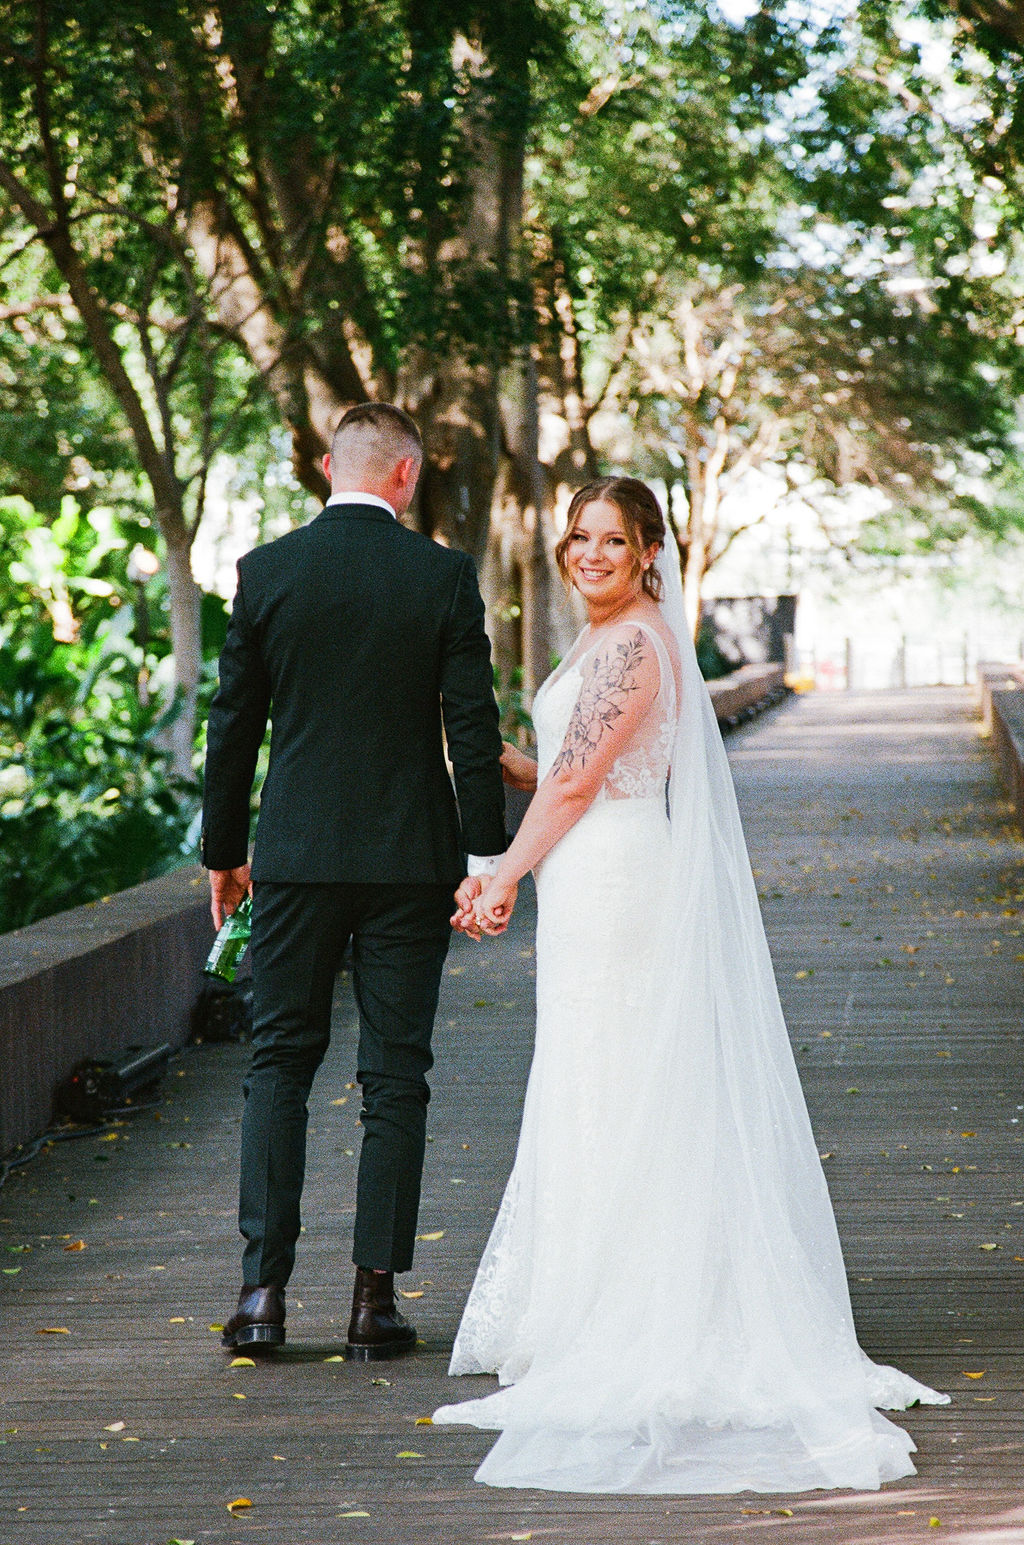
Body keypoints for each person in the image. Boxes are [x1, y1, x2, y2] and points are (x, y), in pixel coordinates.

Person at [433, 476, 948, 1493]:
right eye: (576, 538)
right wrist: (489, 755)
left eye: (611, 542)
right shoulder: (607, 640)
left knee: (620, 1083)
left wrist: (498, 875)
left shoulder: (630, 645)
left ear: (648, 554)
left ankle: (642, 1307)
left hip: (616, 879)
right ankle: (594, 1297)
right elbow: (570, 765)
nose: (587, 555)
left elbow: (584, 783)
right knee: (599, 1080)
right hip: (596, 870)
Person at [201, 403, 506, 1360]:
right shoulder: (443, 575)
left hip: (293, 857)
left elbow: (233, 725)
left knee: (277, 1066)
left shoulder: (268, 571)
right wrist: (485, 859)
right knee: (394, 1078)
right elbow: (472, 727)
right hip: (411, 862)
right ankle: (374, 1301)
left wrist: (224, 852)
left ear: (330, 465)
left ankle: (261, 1294)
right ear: (408, 475)